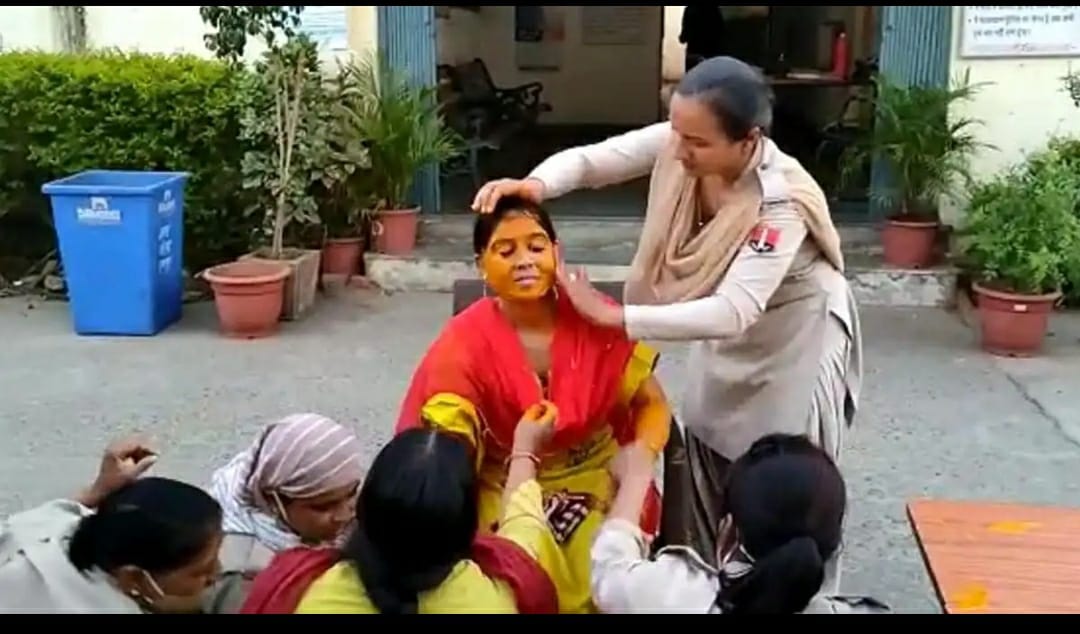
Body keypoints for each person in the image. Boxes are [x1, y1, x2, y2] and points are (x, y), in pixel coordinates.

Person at [471, 56, 862, 592]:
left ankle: (798, 595)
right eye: (677, 132)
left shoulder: (782, 201)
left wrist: (616, 318)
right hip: (723, 330)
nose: (679, 150)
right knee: (708, 434)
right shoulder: (682, 141)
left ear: (748, 141)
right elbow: (592, 162)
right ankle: (712, 589)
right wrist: (536, 185)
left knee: (788, 484)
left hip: (794, 338)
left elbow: (734, 310)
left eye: (697, 142)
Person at [395, 196, 672, 613]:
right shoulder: (463, 341)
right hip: (502, 474)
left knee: (600, 555)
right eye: (506, 251)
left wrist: (642, 455)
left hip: (593, 469)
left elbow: (652, 403)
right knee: (505, 556)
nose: (525, 260)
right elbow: (449, 436)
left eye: (537, 247)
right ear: (481, 264)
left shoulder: (595, 316)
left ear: (557, 252)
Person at [242, 405, 561, 614]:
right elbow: (523, 524)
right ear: (468, 526)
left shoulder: (300, 593)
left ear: (364, 509)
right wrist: (524, 450)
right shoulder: (497, 599)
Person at [590, 433, 888, 614]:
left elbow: (609, 569)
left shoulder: (675, 597)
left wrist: (635, 478)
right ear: (833, 546)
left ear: (728, 532)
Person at [0, 438, 224, 614]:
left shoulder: (47, 527)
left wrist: (98, 490)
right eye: (201, 571)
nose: (217, 573)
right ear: (133, 578)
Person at [204, 413, 365, 613]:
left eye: (351, 493)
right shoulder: (242, 576)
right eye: (323, 507)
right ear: (274, 501)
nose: (345, 515)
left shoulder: (270, 475)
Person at [680, 6, 727, 73]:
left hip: (694, 52)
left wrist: (683, 38)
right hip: (711, 53)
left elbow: (685, 35)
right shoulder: (714, 10)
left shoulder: (690, 9)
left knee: (693, 76)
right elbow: (721, 31)